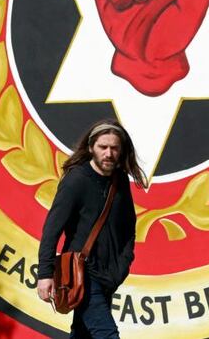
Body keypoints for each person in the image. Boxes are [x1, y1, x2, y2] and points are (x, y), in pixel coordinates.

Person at [37, 120, 147, 338]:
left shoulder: (119, 180)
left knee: (83, 334)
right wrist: (45, 274)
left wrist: (123, 265)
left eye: (114, 148)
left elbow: (129, 227)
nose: (108, 153)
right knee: (107, 335)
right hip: (83, 273)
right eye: (103, 147)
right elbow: (51, 230)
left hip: (110, 276)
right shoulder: (76, 181)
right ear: (91, 148)